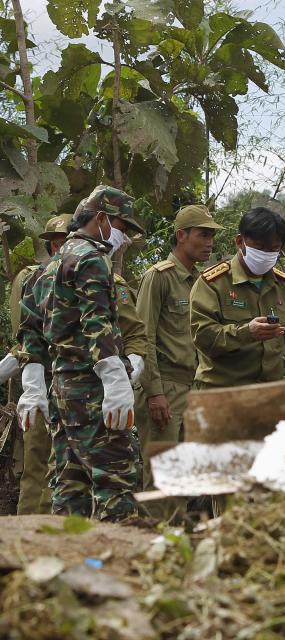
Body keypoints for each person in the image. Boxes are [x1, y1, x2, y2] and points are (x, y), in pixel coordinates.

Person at [18, 186, 144, 521]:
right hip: (93, 391)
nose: (125, 235)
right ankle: (115, 567)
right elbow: (97, 323)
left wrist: (33, 387)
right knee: (116, 485)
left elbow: (30, 333)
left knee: (69, 485)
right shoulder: (92, 259)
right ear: (101, 218)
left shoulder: (47, 267)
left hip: (61, 391)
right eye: (122, 226)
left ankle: (66, 565)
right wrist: (116, 381)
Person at [135, 204, 222, 487]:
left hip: (193, 388)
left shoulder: (202, 282)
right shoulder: (159, 277)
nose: (209, 243)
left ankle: (175, 532)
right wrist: (154, 392)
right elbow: (142, 337)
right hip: (165, 387)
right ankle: (151, 532)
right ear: (181, 235)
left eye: (212, 236)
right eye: (203, 235)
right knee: (162, 478)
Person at [190, 207, 285, 388]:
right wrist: (246, 332)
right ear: (240, 242)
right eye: (261, 247)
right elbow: (203, 337)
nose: (266, 254)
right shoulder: (213, 283)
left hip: (268, 396)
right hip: (221, 395)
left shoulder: (284, 286)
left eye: (273, 249)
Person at [6, 214, 71, 514]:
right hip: (41, 380)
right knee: (36, 464)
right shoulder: (33, 279)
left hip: (76, 386)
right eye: (55, 243)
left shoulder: (92, 278)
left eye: (65, 241)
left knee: (68, 470)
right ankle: (25, 542)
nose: (60, 248)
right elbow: (26, 337)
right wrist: (31, 389)